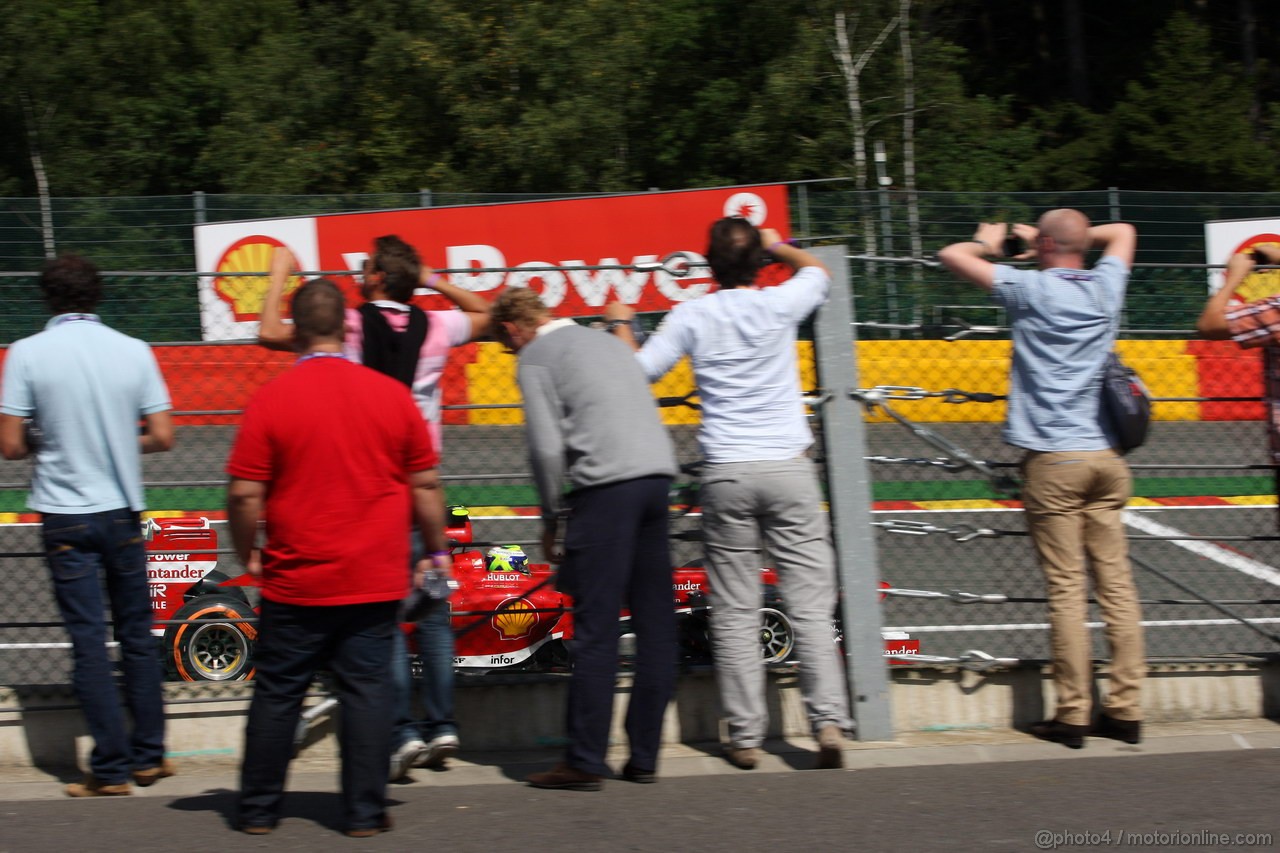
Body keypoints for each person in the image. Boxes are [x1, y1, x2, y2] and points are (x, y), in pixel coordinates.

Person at [605, 218, 853, 771]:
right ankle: (829, 722)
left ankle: (744, 736)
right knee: (811, 604)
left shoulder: (693, 314)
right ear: (759, 263)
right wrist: (775, 245)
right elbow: (819, 270)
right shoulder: (780, 302)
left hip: (727, 472)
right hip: (789, 466)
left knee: (737, 608)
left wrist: (621, 323)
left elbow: (639, 370)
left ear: (708, 266)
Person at [259, 236, 491, 779]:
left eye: (365, 267)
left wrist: (277, 277)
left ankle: (402, 732)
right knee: (433, 610)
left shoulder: (354, 325)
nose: (359, 273)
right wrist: (432, 280)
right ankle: (442, 724)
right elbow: (485, 311)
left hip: (376, 486)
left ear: (378, 278)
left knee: (384, 615)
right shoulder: (435, 325)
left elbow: (271, 333)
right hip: (425, 483)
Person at [227, 278, 449, 836]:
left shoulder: (271, 399)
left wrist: (245, 552)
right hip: (373, 578)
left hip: (296, 578)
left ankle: (257, 810)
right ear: (346, 328)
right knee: (367, 692)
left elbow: (243, 493)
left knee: (279, 692)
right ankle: (364, 812)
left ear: (296, 331)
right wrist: (437, 550)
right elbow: (425, 484)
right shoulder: (389, 395)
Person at [937, 211, 1144, 749]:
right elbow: (1122, 233)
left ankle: (1073, 713)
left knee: (1068, 591)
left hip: (1054, 459)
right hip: (1106, 455)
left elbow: (953, 257)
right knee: (1117, 587)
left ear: (1047, 243)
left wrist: (995, 245)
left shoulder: (1029, 288)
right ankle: (1126, 709)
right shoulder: (1104, 286)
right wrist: (1055, 242)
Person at [0, 254, 176, 797]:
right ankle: (150, 755)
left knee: (88, 643)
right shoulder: (135, 350)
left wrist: (44, 439)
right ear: (97, 296)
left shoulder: (27, 353)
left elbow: (9, 444)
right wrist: (120, 441)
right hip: (122, 510)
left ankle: (110, 769)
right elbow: (163, 435)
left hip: (65, 515)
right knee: (137, 638)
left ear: (48, 299)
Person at [491, 286, 678, 791]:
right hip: (656, 479)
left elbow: (547, 448)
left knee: (596, 627)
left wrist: (552, 517)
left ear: (513, 331)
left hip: (604, 488)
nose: (512, 353)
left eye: (508, 345)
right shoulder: (609, 342)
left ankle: (584, 760)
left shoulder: (534, 358)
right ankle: (644, 757)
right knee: (657, 625)